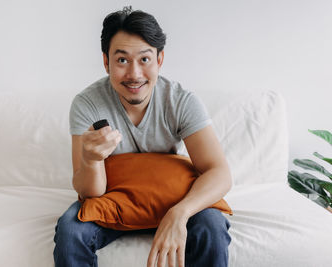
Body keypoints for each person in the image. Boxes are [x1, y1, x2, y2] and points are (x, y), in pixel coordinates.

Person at [54, 6, 232, 267]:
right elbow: (89, 191)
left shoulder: (181, 101)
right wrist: (90, 160)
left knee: (212, 226)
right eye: (122, 60)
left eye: (145, 59)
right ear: (106, 62)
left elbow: (219, 172)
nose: (134, 74)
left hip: (172, 198)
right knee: (70, 230)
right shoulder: (87, 105)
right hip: (112, 198)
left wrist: (179, 214)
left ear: (159, 60)